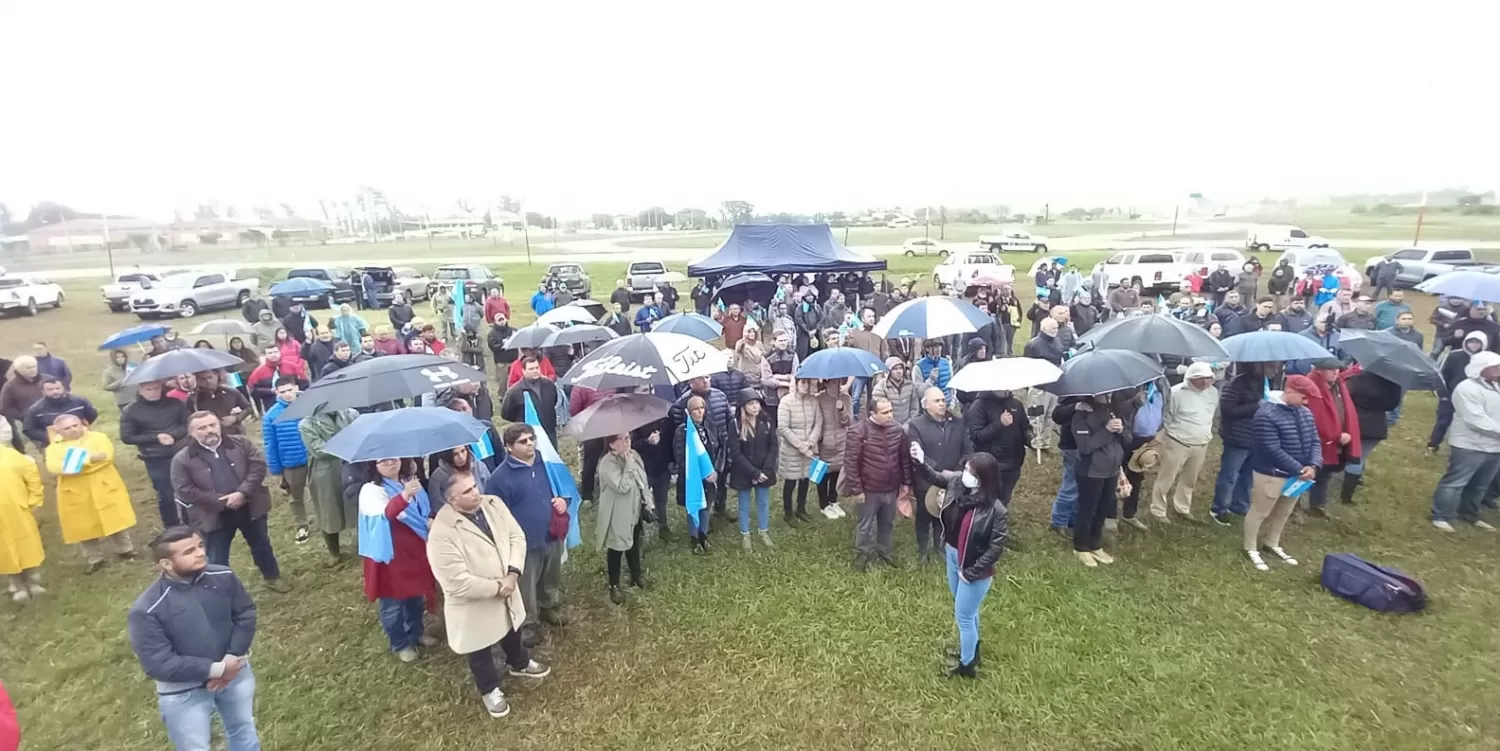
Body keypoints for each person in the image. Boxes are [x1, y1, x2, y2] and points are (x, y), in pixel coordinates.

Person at [430, 467, 551, 718]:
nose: (476, 492)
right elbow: (457, 583)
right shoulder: (442, 533)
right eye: (468, 491)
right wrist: (499, 587)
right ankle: (489, 688)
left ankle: (519, 663)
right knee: (480, 648)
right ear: (452, 500)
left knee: (511, 628)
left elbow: (516, 536)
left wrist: (513, 572)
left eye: (475, 486)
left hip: (508, 584)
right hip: (475, 604)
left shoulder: (493, 504)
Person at [127, 527, 260, 750]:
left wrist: (233, 657)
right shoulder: (147, 609)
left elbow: (245, 614)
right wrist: (219, 669)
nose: (200, 553)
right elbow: (159, 663)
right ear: (166, 564)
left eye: (200, 546)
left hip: (236, 672)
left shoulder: (224, 577)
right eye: (188, 551)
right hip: (183, 693)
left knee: (243, 730)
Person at [910, 449, 1008, 678]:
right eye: (966, 469)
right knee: (968, 611)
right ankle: (972, 652)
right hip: (953, 556)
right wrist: (920, 461)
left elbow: (995, 548)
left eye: (971, 472)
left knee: (964, 616)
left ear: (985, 477)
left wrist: (972, 572)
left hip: (974, 569)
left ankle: (966, 666)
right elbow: (934, 477)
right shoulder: (957, 484)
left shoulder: (996, 511)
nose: (965, 474)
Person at [171, 412, 288, 591]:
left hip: (249, 506)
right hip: (213, 515)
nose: (209, 430)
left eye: (212, 425)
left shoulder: (242, 443)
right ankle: (217, 589)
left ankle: (272, 576)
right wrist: (220, 501)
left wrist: (242, 492)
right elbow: (184, 490)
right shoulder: (182, 459)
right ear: (191, 432)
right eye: (202, 428)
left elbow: (258, 467)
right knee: (216, 556)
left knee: (261, 544)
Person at [483, 423, 568, 644]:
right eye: (523, 441)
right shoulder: (499, 479)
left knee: (551, 572)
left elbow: (563, 488)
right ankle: (529, 621)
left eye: (531, 439)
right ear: (509, 447)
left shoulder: (546, 463)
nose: (530, 443)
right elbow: (495, 515)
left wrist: (562, 502)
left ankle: (549, 604)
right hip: (525, 542)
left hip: (551, 533)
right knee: (527, 582)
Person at [357, 458, 438, 662]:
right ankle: (400, 643)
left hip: (414, 551)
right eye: (383, 461)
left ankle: (416, 632)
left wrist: (428, 517)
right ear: (373, 465)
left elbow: (422, 508)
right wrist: (404, 496)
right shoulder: (372, 490)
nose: (390, 463)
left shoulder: (408, 480)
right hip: (390, 556)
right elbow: (387, 514)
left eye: (393, 458)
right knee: (393, 604)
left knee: (415, 596)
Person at [1244, 375, 1321, 571]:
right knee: (1260, 511)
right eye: (1304, 397)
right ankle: (1250, 547)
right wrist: (1298, 468)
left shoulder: (1305, 412)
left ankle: (1272, 543)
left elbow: (1315, 441)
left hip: (1298, 475)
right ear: (1290, 391)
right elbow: (1271, 447)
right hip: (1270, 472)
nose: (1307, 402)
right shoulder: (1266, 414)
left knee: (1283, 511)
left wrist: (1313, 464)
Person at [45, 413, 137, 572]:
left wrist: (74, 464)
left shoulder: (98, 437)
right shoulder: (54, 448)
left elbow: (107, 458)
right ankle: (95, 558)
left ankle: (125, 550)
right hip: (75, 492)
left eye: (75, 425)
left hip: (103, 486)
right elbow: (55, 468)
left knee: (115, 519)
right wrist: (89, 458)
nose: (73, 429)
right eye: (67, 428)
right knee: (83, 526)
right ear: (58, 430)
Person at [1431, 351, 1500, 532]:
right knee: (1456, 482)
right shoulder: (1466, 388)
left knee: (1480, 484)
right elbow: (1475, 419)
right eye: (1496, 367)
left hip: (1495, 446)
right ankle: (1441, 515)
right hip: (1469, 445)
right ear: (1481, 368)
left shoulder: (1496, 386)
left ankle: (1469, 514)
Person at [844, 397, 912, 570]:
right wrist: (857, 490)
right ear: (872, 413)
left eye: (891, 411)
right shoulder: (859, 431)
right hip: (869, 489)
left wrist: (906, 482)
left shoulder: (897, 430)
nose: (890, 415)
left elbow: (904, 458)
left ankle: (885, 552)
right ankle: (862, 556)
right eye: (885, 412)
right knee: (865, 525)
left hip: (891, 487)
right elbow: (851, 463)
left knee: (887, 523)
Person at [1150, 362, 1218, 521]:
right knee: (1166, 478)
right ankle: (1158, 510)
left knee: (1190, 479)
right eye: (1202, 379)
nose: (1206, 382)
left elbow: (1211, 414)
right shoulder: (1175, 393)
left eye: (1209, 378)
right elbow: (1167, 416)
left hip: (1201, 443)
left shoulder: (1213, 392)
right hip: (1177, 442)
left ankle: (1182, 507)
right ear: (1191, 378)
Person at [1070, 391, 1131, 568]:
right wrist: (1106, 431)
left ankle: (1095, 544)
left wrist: (1121, 430)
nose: (1108, 394)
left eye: (1110, 392)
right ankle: (1081, 547)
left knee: (1103, 508)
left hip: (1112, 470)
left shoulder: (1114, 411)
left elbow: (1128, 440)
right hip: (1091, 471)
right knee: (1088, 509)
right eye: (1104, 392)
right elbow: (1085, 446)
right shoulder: (1081, 415)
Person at [908, 386, 968, 562]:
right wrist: (939, 471)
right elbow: (917, 454)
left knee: (944, 515)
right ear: (926, 405)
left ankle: (940, 547)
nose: (942, 403)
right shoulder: (916, 425)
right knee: (924, 516)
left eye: (943, 399)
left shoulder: (958, 422)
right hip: (926, 480)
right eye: (937, 401)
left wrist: (957, 470)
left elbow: (967, 449)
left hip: (952, 480)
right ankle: (922, 549)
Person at [596, 432, 652, 602]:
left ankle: (636, 575)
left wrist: (648, 500)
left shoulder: (633, 455)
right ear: (612, 444)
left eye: (629, 437)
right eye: (623, 438)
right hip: (617, 512)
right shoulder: (607, 463)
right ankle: (614, 585)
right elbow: (622, 486)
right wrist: (628, 465)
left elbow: (643, 478)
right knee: (616, 548)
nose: (628, 441)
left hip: (634, 509)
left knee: (634, 542)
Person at [298, 408, 358, 562]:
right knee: (329, 511)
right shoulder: (307, 423)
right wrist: (347, 444)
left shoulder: (351, 414)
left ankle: (365, 545)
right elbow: (319, 450)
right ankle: (334, 553)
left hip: (353, 465)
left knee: (359, 505)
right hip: (326, 471)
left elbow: (362, 434)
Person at [260, 380, 313, 545]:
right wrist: (276, 470)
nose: (287, 394)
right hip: (291, 463)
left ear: (297, 388)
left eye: (290, 390)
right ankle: (301, 525)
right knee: (295, 497)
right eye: (282, 391)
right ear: (276, 392)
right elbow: (270, 445)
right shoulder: (271, 416)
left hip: (313, 459)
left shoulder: (309, 406)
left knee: (320, 492)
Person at [1304, 359, 1360, 516]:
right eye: (1330, 369)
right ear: (1319, 370)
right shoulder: (1311, 386)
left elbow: (1344, 410)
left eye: (1337, 369)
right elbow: (1316, 416)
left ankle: (1317, 505)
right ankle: (1296, 506)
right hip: (1317, 439)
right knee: (1309, 471)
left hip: (1336, 438)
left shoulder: (1338, 387)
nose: (1335, 372)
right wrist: (1335, 435)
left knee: (1325, 473)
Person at [1210, 365, 1263, 524]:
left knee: (1248, 476)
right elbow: (1228, 410)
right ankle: (1219, 508)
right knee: (1230, 475)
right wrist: (1256, 406)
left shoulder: (1264, 383)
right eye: (1270, 366)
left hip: (1256, 436)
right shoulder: (1236, 384)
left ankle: (1239, 505)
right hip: (1237, 436)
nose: (1274, 370)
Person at [1341, 370, 1402, 505]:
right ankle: (1351, 489)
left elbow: (1344, 396)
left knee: (1354, 459)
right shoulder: (1393, 384)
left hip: (1354, 422)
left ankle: (1346, 495)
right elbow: (1392, 405)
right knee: (1361, 457)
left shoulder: (1357, 379)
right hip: (1377, 425)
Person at [727, 389, 777, 552]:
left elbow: (773, 446)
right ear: (743, 406)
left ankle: (763, 532)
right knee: (744, 505)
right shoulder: (735, 425)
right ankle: (745, 534)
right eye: (750, 404)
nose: (755, 407)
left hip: (764, 471)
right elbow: (736, 453)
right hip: (744, 473)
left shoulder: (767, 421)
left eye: (756, 403)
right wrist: (754, 473)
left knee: (763, 503)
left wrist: (766, 471)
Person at [0, 419, 44, 601]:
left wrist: (34, 499)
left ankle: (33, 580)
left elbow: (31, 473)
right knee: (3, 549)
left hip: (17, 510)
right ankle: (16, 584)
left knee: (26, 545)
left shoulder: (10, 456)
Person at [963, 388, 1030, 503]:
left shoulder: (1016, 404)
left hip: (1014, 463)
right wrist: (1000, 424)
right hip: (992, 465)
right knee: (990, 500)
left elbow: (1025, 427)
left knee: (1005, 498)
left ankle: (1000, 517)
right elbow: (977, 436)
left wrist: (1031, 439)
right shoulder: (978, 406)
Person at [776, 378, 822, 527]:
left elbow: (818, 423)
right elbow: (783, 428)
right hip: (792, 450)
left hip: (808, 448)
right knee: (790, 482)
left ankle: (801, 509)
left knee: (805, 480)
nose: (806, 386)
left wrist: (810, 443)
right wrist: (800, 446)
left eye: (808, 383)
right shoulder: (786, 402)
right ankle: (788, 512)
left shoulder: (814, 401)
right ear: (795, 384)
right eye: (803, 382)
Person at [812, 380, 852, 518]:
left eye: (839, 382)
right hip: (825, 442)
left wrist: (842, 410)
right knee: (823, 474)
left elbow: (849, 422)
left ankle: (833, 501)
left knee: (837, 472)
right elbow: (815, 421)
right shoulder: (818, 399)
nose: (837, 385)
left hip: (841, 441)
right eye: (834, 382)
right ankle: (823, 505)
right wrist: (819, 440)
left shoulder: (846, 398)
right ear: (827, 383)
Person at [22, 376, 98, 447]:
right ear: (43, 392)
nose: (55, 391)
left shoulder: (79, 401)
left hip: (82, 439)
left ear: (63, 388)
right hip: (55, 444)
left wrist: (81, 427)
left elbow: (92, 414)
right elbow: (28, 429)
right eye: (50, 390)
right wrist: (48, 437)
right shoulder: (36, 409)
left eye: (57, 388)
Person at [501, 357, 560, 440]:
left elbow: (554, 401)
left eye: (537, 368)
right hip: (527, 434)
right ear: (523, 371)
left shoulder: (549, 385)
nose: (535, 371)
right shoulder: (514, 391)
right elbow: (506, 413)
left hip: (549, 431)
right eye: (531, 369)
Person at [428, 444, 491, 518]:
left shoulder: (479, 467)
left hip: (484, 513)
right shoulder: (438, 478)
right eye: (455, 454)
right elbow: (438, 507)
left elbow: (490, 492)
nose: (461, 457)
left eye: (463, 451)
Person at [187, 370, 251, 437]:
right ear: (197, 380)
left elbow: (247, 408)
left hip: (235, 432)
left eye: (210, 377)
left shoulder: (231, 392)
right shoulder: (194, 399)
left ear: (216, 376)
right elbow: (189, 420)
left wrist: (235, 418)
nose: (208, 381)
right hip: (210, 435)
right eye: (203, 379)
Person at [872, 357, 918, 425]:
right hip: (888, 426)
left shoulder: (910, 385)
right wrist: (895, 425)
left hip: (908, 426)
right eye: (895, 369)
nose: (899, 371)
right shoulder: (881, 387)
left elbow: (914, 408)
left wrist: (908, 424)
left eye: (901, 368)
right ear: (889, 371)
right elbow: (880, 410)